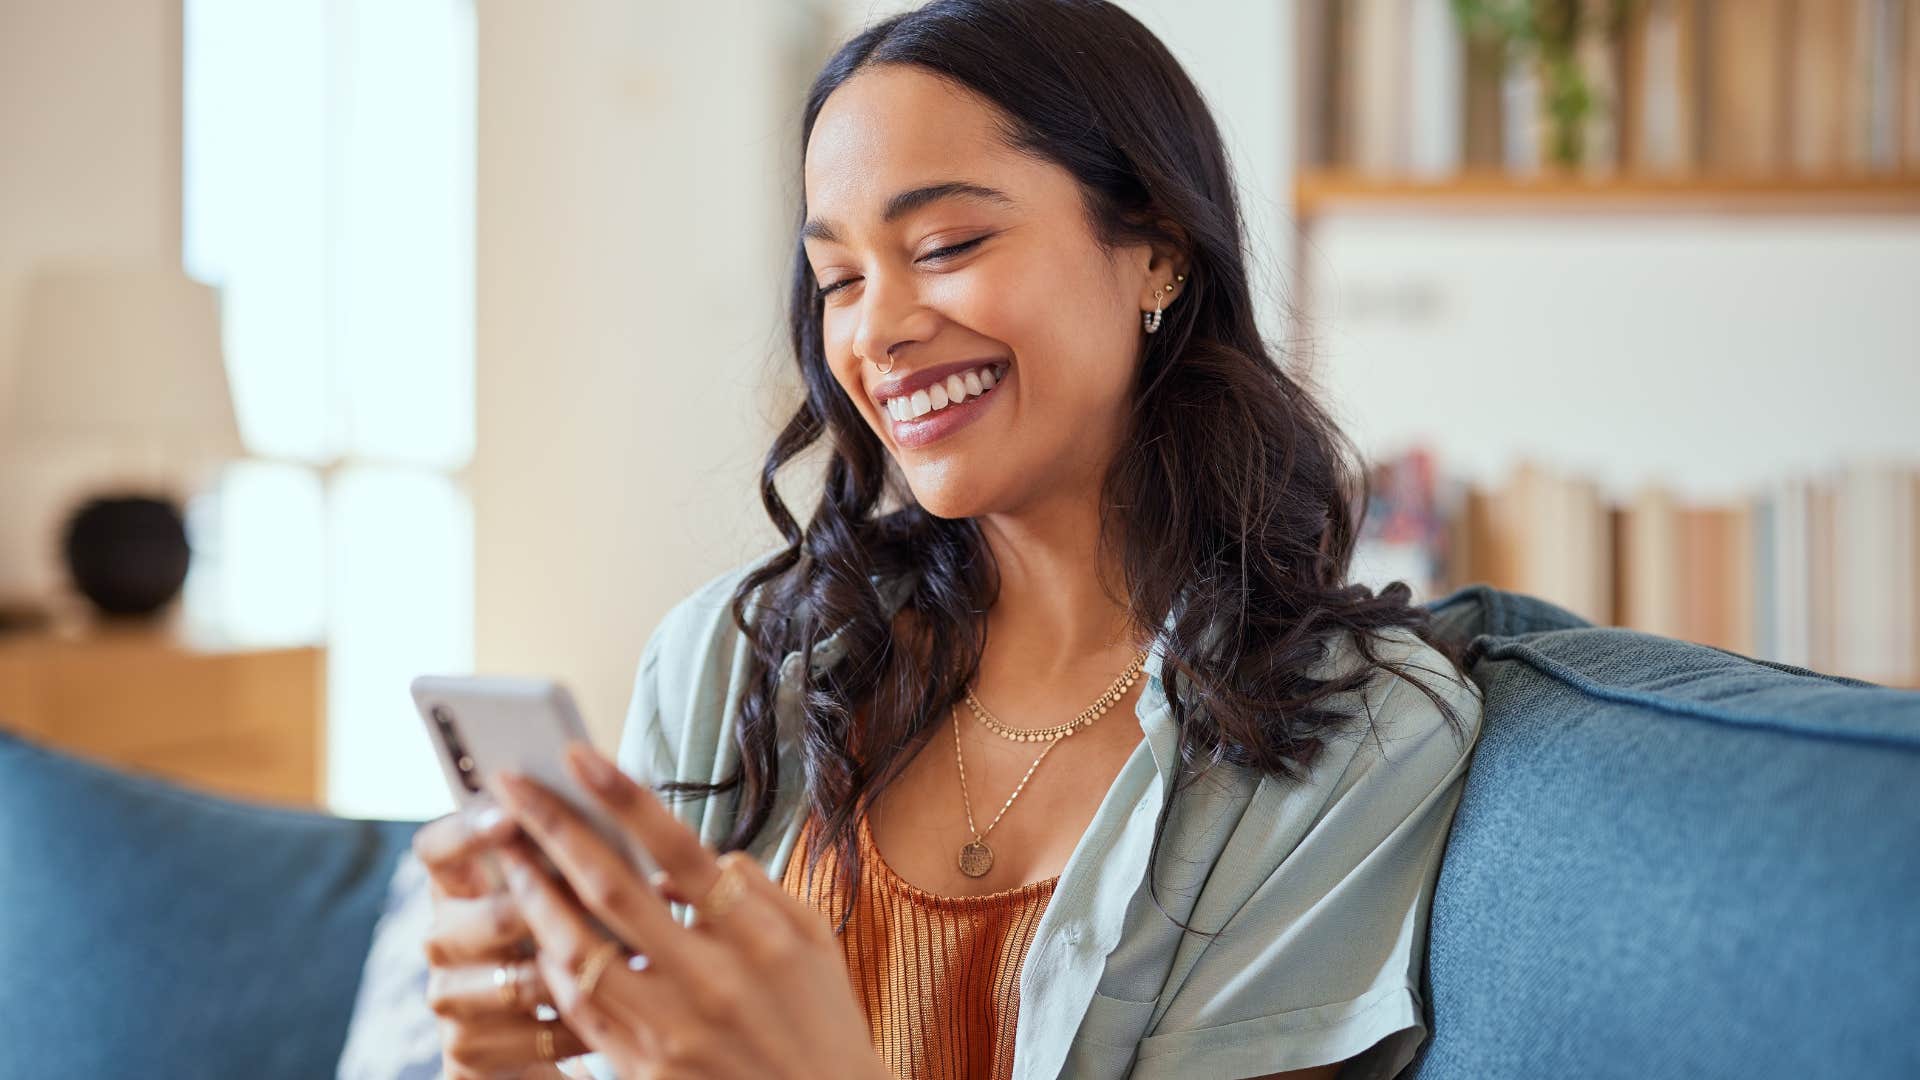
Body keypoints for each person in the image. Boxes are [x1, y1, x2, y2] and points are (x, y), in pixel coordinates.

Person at [411, 1, 1484, 1077]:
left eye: (946, 244)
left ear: (1157, 249)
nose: (875, 329)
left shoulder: (1356, 735)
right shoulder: (733, 660)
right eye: (839, 280)